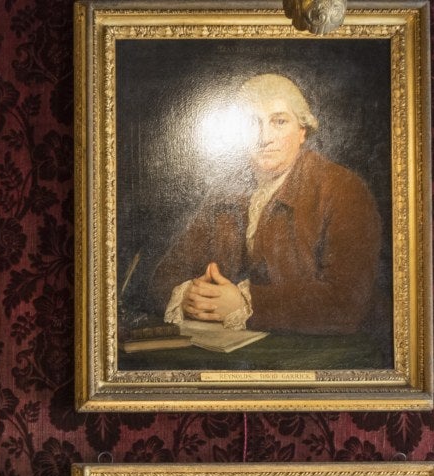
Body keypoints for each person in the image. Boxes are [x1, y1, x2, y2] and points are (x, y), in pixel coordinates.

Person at [145, 73, 383, 338]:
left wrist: (245, 304)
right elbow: (165, 274)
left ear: (302, 130)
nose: (264, 137)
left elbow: (348, 301)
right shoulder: (225, 191)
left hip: (313, 355)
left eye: (279, 121)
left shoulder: (340, 188)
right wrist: (190, 294)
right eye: (251, 123)